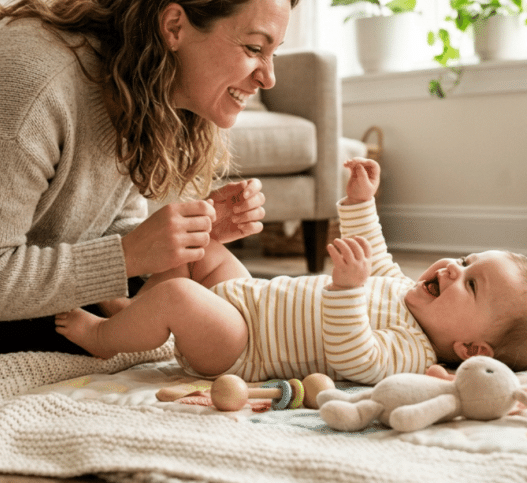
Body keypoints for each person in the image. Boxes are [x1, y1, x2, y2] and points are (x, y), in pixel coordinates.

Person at [0, 0, 300, 356]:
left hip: (9, 275)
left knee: (183, 296)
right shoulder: (35, 86)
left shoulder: (135, 83)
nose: (268, 78)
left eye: (273, 53)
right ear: (174, 26)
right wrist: (128, 256)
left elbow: (103, 224)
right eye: (253, 48)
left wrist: (189, 234)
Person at [55, 157, 527, 384]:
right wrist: (361, 203)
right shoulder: (403, 288)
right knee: (202, 249)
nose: (450, 268)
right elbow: (374, 252)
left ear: (471, 348)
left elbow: (354, 356)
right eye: (464, 260)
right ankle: (136, 313)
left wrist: (346, 291)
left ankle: (105, 337)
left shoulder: (411, 354)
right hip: (248, 296)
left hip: (242, 346)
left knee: (179, 299)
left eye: (469, 282)